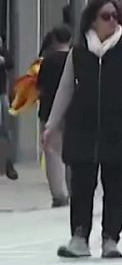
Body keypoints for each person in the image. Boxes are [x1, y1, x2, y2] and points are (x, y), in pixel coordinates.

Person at [43, 0, 122, 259]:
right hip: (83, 127)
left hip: (118, 127)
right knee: (81, 184)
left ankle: (110, 238)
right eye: (106, 16)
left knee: (116, 185)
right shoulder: (79, 52)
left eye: (116, 16)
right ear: (93, 19)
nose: (112, 21)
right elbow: (66, 89)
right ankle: (79, 237)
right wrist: (52, 124)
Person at [34, 26, 74, 206]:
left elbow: (39, 87)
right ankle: (74, 188)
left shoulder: (47, 61)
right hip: (73, 111)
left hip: (49, 111)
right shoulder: (76, 59)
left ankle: (59, 194)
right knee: (72, 152)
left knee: (52, 152)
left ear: (54, 40)